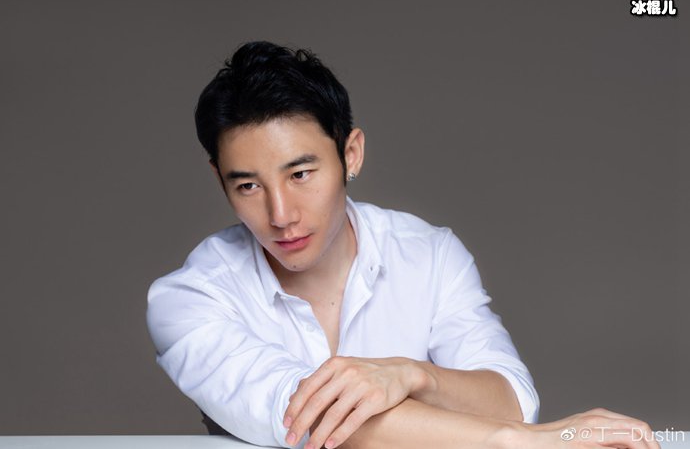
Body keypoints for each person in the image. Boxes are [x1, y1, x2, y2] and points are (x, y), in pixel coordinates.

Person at [146, 41, 659, 449]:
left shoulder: (430, 255)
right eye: (248, 186)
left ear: (351, 154)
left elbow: (512, 401)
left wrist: (412, 376)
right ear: (219, 180)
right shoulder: (188, 299)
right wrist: (518, 443)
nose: (281, 215)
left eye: (300, 174)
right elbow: (308, 418)